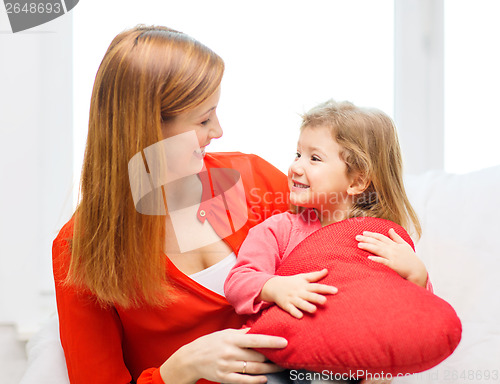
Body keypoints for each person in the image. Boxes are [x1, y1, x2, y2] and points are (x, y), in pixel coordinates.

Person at [52, 25, 294, 384]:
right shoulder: (81, 247)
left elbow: (344, 261)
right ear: (148, 129)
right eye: (203, 119)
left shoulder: (255, 179)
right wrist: (177, 370)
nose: (218, 130)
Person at [224, 99, 431, 348]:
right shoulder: (278, 230)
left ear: (356, 181)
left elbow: (415, 316)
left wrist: (417, 275)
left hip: (347, 358)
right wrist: (274, 287)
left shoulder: (381, 240)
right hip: (280, 357)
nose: (296, 167)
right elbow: (237, 283)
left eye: (314, 158)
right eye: (298, 154)